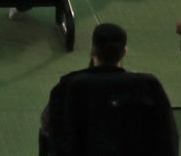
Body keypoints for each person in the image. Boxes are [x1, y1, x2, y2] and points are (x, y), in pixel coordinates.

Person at [38, 21, 173, 152]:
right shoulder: (148, 87)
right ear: (124, 52)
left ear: (93, 51)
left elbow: (49, 130)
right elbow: (167, 138)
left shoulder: (68, 86)